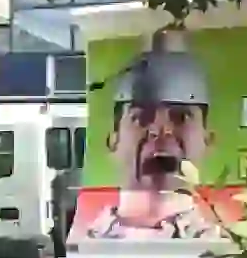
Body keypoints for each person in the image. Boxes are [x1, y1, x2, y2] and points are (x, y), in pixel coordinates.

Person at [86, 29, 222, 240]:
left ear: (208, 141)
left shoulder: (221, 251)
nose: (161, 131)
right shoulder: (85, 248)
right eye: (141, 117)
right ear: (114, 143)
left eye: (181, 117)